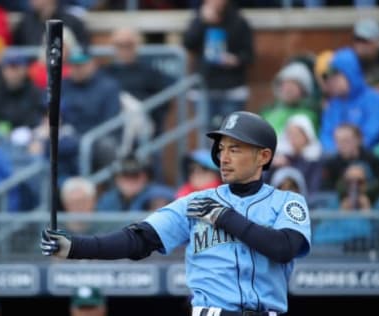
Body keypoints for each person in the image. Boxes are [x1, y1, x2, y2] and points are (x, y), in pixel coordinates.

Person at [42, 111, 311, 315]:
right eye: (222, 149)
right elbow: (139, 240)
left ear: (263, 156)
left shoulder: (287, 202)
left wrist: (225, 217)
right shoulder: (195, 203)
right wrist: (76, 246)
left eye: (235, 149)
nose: (224, 157)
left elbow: (284, 248)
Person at [183, 0, 254, 130]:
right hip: (204, 86)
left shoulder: (238, 21)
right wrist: (202, 22)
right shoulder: (199, 19)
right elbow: (189, 43)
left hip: (231, 88)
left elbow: (249, 55)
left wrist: (234, 60)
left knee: (231, 132)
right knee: (206, 135)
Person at [319, 47, 379, 153]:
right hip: (337, 158)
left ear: (350, 73)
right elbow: (326, 134)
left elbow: (373, 132)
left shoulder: (374, 100)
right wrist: (336, 151)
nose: (331, 81)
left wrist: (351, 149)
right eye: (330, 77)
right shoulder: (334, 104)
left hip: (367, 155)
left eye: (336, 76)